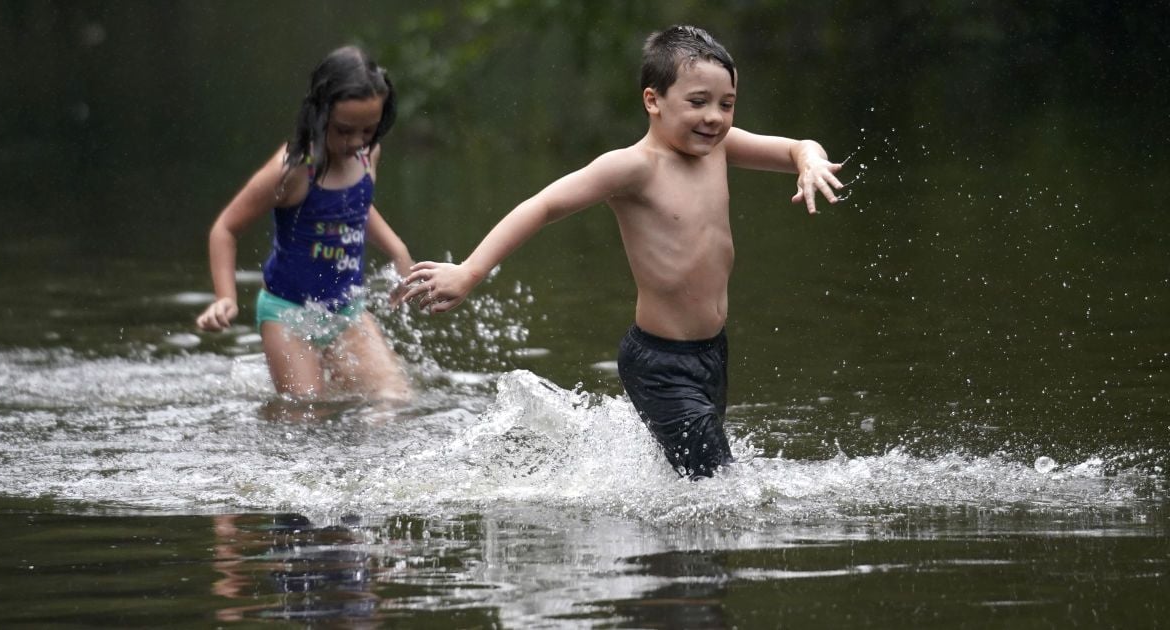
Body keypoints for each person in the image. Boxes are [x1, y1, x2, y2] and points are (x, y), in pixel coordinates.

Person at [404, 26, 845, 478]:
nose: (714, 117)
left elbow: (795, 147)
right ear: (653, 101)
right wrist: (470, 271)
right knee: (719, 482)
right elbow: (543, 205)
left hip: (712, 353)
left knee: (695, 484)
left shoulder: (719, 149)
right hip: (660, 363)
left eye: (726, 104)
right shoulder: (634, 167)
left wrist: (809, 162)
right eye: (697, 102)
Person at [196, 46, 412, 402]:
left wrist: (397, 249)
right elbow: (225, 228)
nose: (357, 141)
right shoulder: (293, 169)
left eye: (369, 130)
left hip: (346, 310)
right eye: (344, 130)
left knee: (394, 398)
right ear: (319, 113)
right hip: (288, 314)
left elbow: (355, 206)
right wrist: (225, 298)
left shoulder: (367, 153)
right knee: (307, 410)